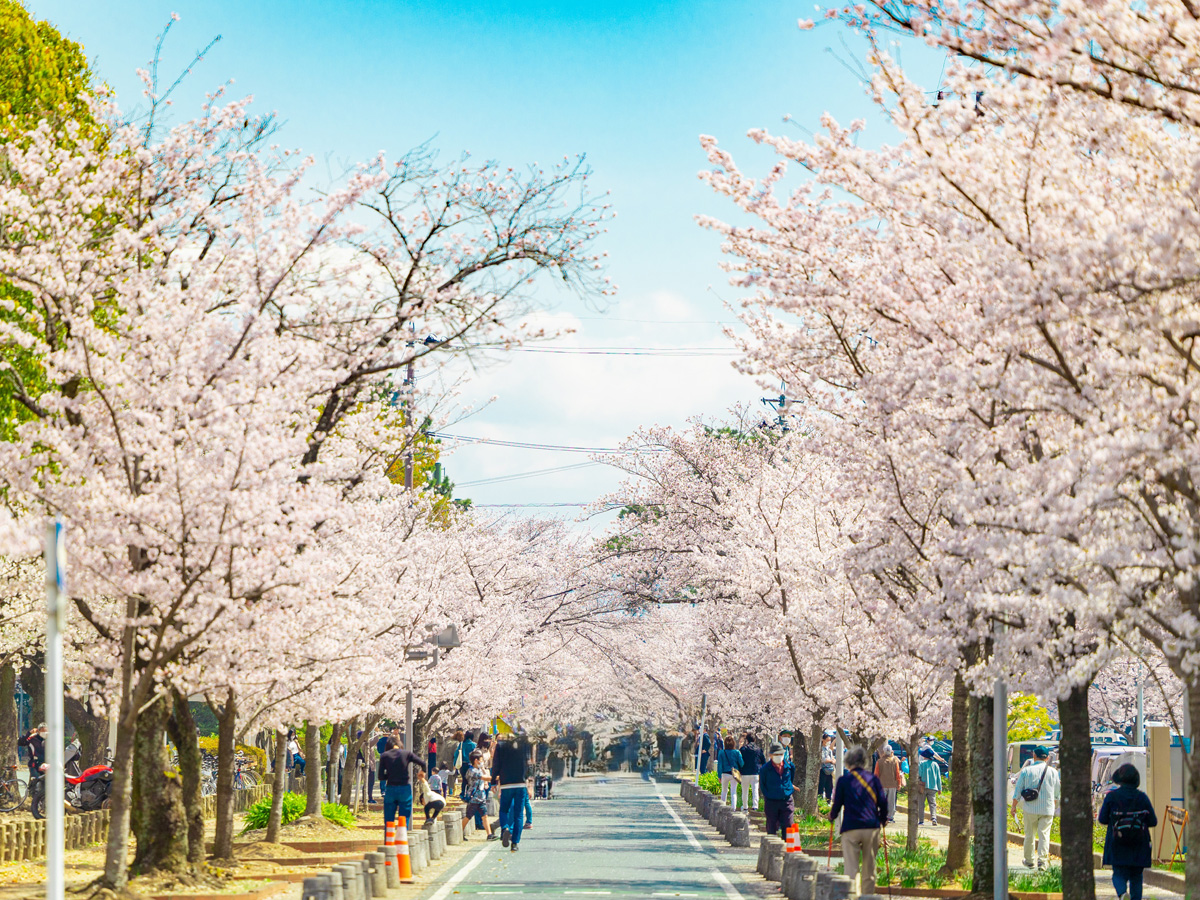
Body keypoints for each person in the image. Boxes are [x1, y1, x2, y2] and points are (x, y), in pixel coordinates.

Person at [830, 745, 888, 896]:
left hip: (851, 827)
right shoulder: (873, 779)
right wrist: (882, 820)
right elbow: (883, 802)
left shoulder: (844, 780)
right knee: (870, 867)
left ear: (848, 762)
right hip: (871, 827)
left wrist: (832, 816)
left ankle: (852, 896)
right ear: (864, 762)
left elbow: (837, 804)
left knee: (851, 868)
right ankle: (867, 897)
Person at [1098, 763, 1157, 900]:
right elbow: (1153, 821)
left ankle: (1123, 894)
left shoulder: (1112, 797)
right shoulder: (1142, 797)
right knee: (1136, 877)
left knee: (1118, 874)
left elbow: (1102, 819)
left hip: (1117, 843)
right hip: (1139, 844)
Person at [1010, 745, 1061, 871]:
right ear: (1047, 758)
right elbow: (1057, 793)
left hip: (1030, 808)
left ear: (1034, 755)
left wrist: (1014, 806)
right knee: (1044, 835)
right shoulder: (1053, 772)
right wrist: (1053, 805)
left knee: (1029, 835)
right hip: (1047, 809)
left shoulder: (1026, 771)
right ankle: (1043, 862)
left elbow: (1018, 790)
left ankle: (1029, 860)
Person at [377, 735, 425, 835]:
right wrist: (422, 772)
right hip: (405, 789)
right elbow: (423, 763)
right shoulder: (406, 753)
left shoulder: (385, 756)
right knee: (404, 819)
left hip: (390, 789)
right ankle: (402, 844)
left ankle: (389, 845)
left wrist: (390, 775)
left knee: (389, 821)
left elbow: (380, 776)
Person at [491, 736, 529, 852]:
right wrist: (529, 781)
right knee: (518, 815)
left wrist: (493, 782)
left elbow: (496, 764)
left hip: (506, 783)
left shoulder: (500, 746)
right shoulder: (523, 745)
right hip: (520, 784)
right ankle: (515, 843)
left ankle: (505, 828)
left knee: (503, 810)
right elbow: (528, 763)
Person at [758, 741, 795, 840]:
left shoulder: (789, 767)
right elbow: (762, 785)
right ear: (770, 755)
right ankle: (772, 852)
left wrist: (787, 790)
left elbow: (791, 779)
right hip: (771, 802)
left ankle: (789, 852)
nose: (779, 756)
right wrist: (769, 795)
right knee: (772, 828)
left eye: (781, 754)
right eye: (776, 754)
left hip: (786, 801)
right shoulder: (765, 769)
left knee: (789, 826)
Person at [461, 749, 494, 840]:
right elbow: (485, 778)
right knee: (468, 816)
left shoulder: (478, 769)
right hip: (474, 798)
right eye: (481, 760)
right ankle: (460, 832)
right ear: (476, 761)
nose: (482, 762)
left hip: (481, 798)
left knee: (485, 815)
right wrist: (496, 777)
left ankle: (489, 834)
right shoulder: (472, 771)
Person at [873, 744, 903, 824]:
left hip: (882, 784)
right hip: (892, 784)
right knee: (891, 801)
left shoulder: (879, 762)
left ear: (883, 752)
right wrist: (899, 783)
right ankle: (890, 817)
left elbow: (876, 774)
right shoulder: (894, 761)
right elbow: (897, 773)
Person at [716, 735, 743, 809]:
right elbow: (741, 763)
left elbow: (720, 766)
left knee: (724, 791)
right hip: (734, 774)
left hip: (724, 774)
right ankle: (733, 808)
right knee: (733, 792)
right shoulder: (737, 752)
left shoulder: (721, 752)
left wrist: (719, 776)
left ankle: (722, 807)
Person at [738, 733, 763, 811]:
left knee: (744, 790)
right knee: (755, 790)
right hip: (755, 772)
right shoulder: (758, 749)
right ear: (754, 740)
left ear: (747, 740)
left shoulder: (743, 749)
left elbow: (739, 760)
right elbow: (764, 761)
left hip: (745, 772)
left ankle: (745, 806)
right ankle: (755, 806)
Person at [916, 747, 941, 825]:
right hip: (933, 787)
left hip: (922, 786)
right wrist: (939, 788)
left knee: (921, 804)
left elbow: (919, 774)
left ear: (924, 756)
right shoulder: (935, 764)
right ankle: (934, 818)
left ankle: (921, 821)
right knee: (932, 804)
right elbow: (938, 777)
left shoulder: (921, 763)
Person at [459, 730, 478, 799]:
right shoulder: (474, 745)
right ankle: (469, 794)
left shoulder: (461, 744)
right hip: (471, 765)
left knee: (464, 779)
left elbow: (457, 753)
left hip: (463, 764)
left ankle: (462, 793)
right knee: (471, 779)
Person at [818, 735, 836, 802]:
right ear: (823, 740)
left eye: (830, 740)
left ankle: (828, 801)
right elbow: (822, 759)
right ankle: (820, 802)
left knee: (829, 787)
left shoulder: (829, 749)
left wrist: (833, 760)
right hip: (822, 770)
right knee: (821, 787)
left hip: (829, 770)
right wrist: (831, 761)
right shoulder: (821, 749)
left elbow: (832, 757)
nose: (829, 742)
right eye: (827, 740)